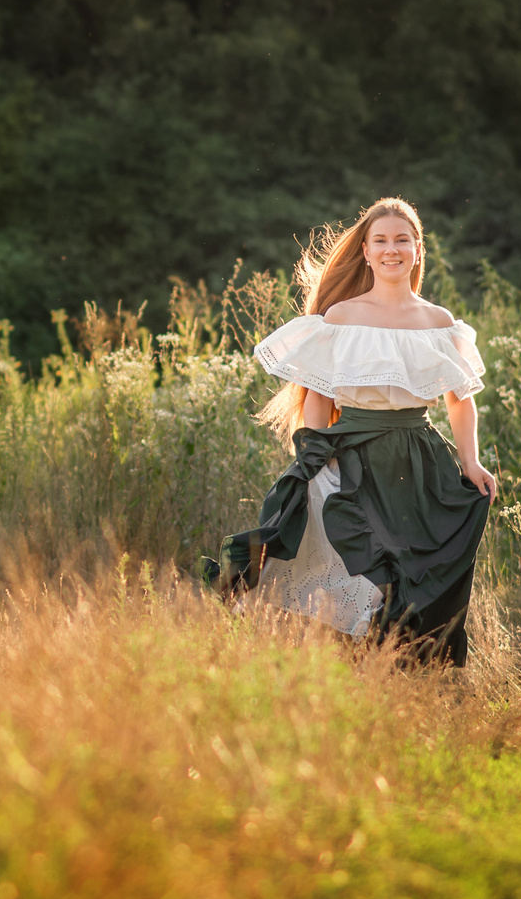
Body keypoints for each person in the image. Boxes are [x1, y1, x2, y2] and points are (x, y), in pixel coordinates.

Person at [206, 197, 498, 663]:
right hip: (354, 457)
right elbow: (320, 394)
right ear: (365, 251)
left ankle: (408, 672)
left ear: (418, 250)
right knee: (353, 567)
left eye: (402, 240)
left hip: (420, 463)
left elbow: (460, 404)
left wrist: (471, 462)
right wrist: (312, 460)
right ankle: (351, 668)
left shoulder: (439, 323)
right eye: (380, 240)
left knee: (419, 570)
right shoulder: (342, 317)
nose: (391, 249)